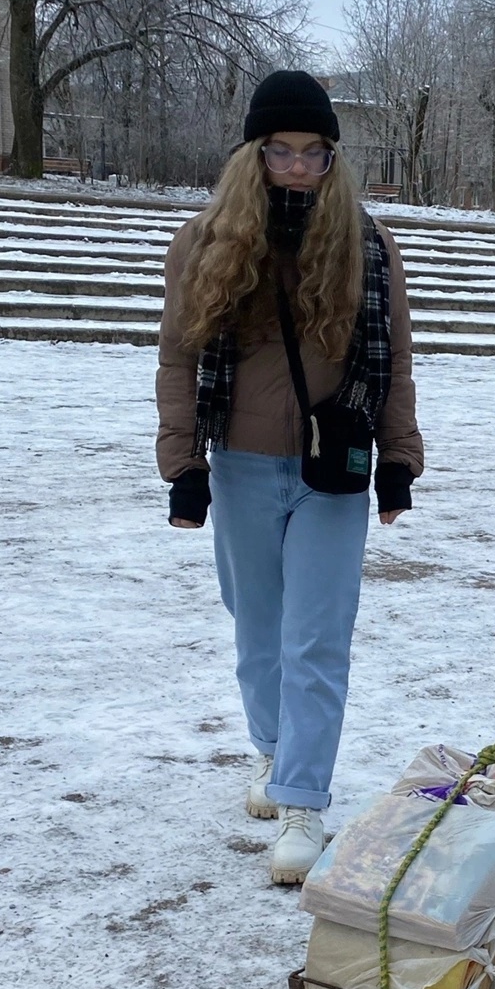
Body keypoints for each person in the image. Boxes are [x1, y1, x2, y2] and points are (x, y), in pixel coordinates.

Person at [156, 70, 424, 885]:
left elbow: (396, 358)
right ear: (254, 154)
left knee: (316, 637)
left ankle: (304, 801)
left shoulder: (368, 244)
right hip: (239, 463)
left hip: (332, 469)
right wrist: (184, 464)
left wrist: (401, 458)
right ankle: (275, 754)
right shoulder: (206, 241)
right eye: (282, 151)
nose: (299, 167)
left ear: (334, 158)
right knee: (255, 626)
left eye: (315, 153)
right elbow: (179, 355)